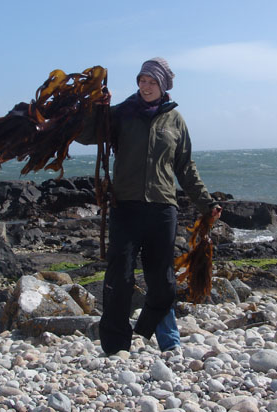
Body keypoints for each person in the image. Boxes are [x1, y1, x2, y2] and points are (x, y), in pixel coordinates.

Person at [78, 57, 221, 355]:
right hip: (125, 206)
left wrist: (206, 203)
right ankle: (116, 347)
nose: (145, 87)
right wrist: (97, 106)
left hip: (162, 208)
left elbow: (185, 168)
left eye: (151, 82)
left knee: (164, 285)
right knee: (120, 278)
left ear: (163, 85)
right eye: (142, 80)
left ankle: (143, 331)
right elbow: (88, 135)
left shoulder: (175, 120)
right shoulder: (122, 114)